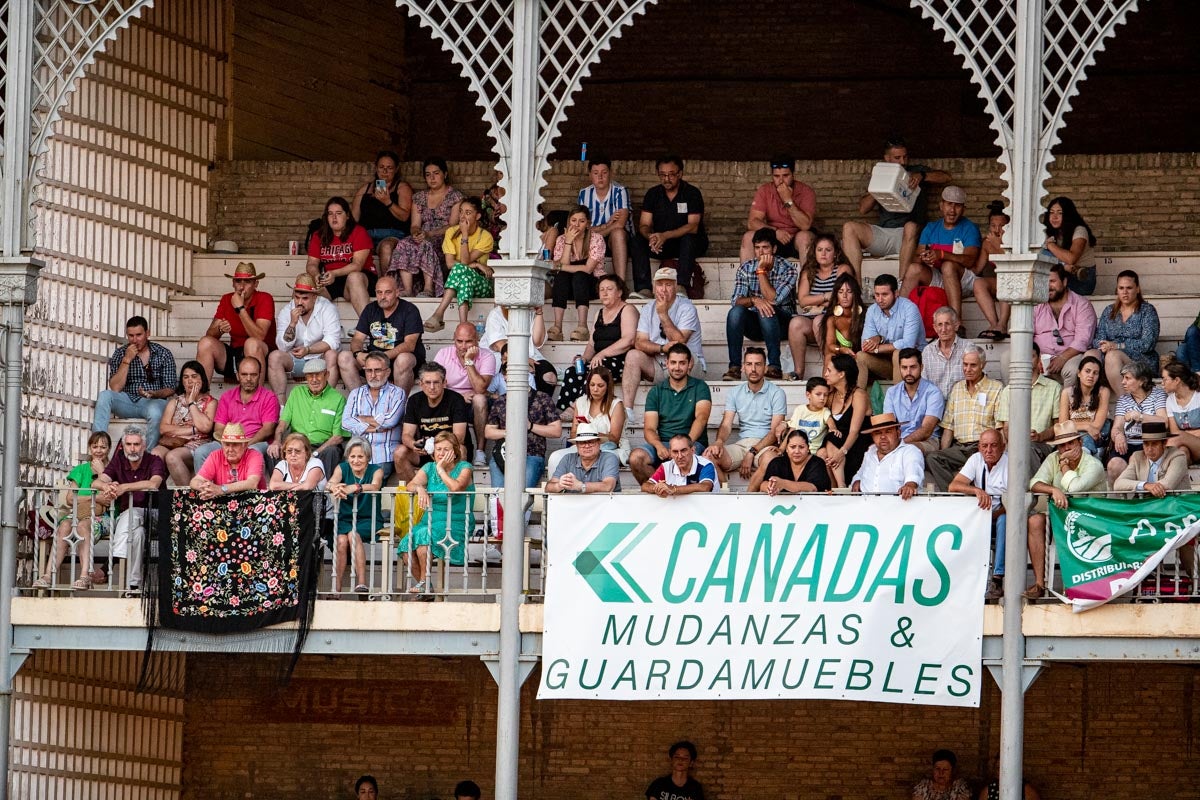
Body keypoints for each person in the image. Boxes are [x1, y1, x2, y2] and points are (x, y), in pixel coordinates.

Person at [841, 136, 951, 275]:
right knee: (849, 227)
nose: (903, 161)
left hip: (909, 236)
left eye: (905, 157)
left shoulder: (916, 170)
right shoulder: (880, 174)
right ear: (887, 158)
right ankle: (855, 287)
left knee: (910, 226)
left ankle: (902, 284)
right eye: (897, 158)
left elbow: (947, 177)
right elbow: (863, 209)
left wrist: (922, 176)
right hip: (884, 233)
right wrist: (879, 186)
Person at [1026, 421, 1107, 597]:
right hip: (1062, 516)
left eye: (1070, 443)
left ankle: (1078, 586)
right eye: (1062, 445)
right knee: (1035, 520)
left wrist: (1064, 465)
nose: (1066, 448)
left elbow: (1074, 489)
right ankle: (1040, 584)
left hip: (1091, 519)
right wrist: (1053, 489)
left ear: (1080, 443)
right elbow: (1034, 483)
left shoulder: (1093, 465)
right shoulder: (1053, 457)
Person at [33, 431, 112, 591]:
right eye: (95, 446)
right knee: (64, 527)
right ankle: (47, 576)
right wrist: (94, 497)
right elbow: (70, 499)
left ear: (109, 449)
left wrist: (102, 474)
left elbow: (108, 498)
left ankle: (84, 577)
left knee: (83, 526)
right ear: (90, 448)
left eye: (103, 447)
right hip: (77, 513)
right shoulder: (81, 470)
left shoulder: (113, 468)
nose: (98, 450)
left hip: (103, 517)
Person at [93, 425, 165, 593]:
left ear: (144, 445)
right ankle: (134, 585)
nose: (133, 448)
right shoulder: (119, 459)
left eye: (136, 444)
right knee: (137, 534)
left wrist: (124, 487)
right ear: (123, 446)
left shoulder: (154, 460)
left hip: (156, 515)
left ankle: (109, 563)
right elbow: (95, 482)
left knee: (132, 514)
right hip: (131, 520)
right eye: (129, 444)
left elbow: (154, 483)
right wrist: (108, 486)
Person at [622, 266, 704, 410]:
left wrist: (663, 314)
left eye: (668, 284)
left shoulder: (687, 307)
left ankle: (682, 409)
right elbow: (640, 342)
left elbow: (680, 343)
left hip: (688, 365)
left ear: (676, 286)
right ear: (653, 288)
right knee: (632, 355)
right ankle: (628, 410)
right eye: (660, 285)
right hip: (660, 365)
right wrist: (661, 348)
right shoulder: (648, 308)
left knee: (682, 357)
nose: (664, 289)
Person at [630, 344, 713, 484]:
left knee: (684, 455)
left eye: (682, 363)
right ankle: (662, 494)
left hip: (692, 442)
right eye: (673, 362)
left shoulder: (700, 387)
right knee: (636, 458)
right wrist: (658, 445)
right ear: (666, 363)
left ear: (690, 364)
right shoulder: (656, 391)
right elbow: (649, 429)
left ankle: (672, 492)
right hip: (665, 442)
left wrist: (683, 446)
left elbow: (701, 418)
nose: (677, 367)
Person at [899, 186, 981, 326]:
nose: (952, 210)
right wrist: (925, 257)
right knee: (913, 268)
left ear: (963, 209)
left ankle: (956, 323)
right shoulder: (931, 228)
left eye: (957, 206)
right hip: (939, 277)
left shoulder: (969, 228)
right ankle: (899, 319)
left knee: (948, 266)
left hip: (964, 280)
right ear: (941, 206)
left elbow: (970, 260)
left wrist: (942, 254)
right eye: (949, 204)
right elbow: (917, 256)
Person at [93, 315, 177, 451]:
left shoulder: (163, 354)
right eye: (131, 336)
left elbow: (171, 388)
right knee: (104, 396)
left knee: (156, 412)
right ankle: (98, 445)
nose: (135, 340)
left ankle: (149, 457)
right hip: (128, 401)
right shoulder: (121, 353)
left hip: (153, 402)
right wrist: (127, 360)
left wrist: (155, 394)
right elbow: (115, 387)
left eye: (139, 335)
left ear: (147, 333)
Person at [724, 228, 798, 381]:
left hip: (783, 324)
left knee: (766, 309)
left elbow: (773, 300)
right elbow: (736, 300)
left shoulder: (788, 269)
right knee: (735, 312)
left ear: (774, 249)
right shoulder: (745, 268)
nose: (760, 252)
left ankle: (774, 367)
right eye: (757, 248)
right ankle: (734, 368)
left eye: (765, 247)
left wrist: (761, 272)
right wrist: (754, 300)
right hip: (756, 324)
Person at [556, 273, 638, 411]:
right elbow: (592, 343)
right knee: (572, 371)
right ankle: (562, 409)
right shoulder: (599, 313)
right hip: (599, 360)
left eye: (609, 289)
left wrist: (602, 354)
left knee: (594, 373)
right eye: (602, 290)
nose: (604, 293)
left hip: (620, 361)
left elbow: (628, 340)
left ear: (619, 292)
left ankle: (577, 408)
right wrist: (584, 358)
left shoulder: (627, 309)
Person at [925, 347, 1003, 490]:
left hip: (982, 447)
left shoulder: (996, 388)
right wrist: (944, 452)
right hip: (959, 448)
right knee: (933, 458)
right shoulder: (957, 388)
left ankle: (959, 493)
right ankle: (955, 495)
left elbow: (1000, 427)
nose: (968, 369)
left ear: (983, 365)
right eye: (965, 364)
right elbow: (949, 427)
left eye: (973, 365)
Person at [405, 431, 474, 592]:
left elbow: (456, 487)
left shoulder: (465, 467)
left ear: (455, 452)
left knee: (424, 536)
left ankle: (423, 583)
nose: (441, 453)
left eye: (445, 449)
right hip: (430, 520)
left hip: (455, 522)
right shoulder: (429, 468)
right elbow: (410, 485)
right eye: (438, 449)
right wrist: (420, 488)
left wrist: (441, 469)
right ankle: (426, 587)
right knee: (406, 544)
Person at [630, 156, 708, 296]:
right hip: (662, 244)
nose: (666, 179)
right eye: (662, 175)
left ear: (680, 174)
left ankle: (681, 286)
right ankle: (644, 289)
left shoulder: (692, 193)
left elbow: (693, 226)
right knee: (637, 240)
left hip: (689, 245)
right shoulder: (653, 194)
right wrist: (651, 237)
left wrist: (665, 235)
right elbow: (644, 224)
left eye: (671, 174)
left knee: (688, 238)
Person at [705, 348, 786, 480]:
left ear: (765, 368)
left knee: (772, 460)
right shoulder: (735, 392)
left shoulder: (777, 393)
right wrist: (719, 441)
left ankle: (751, 493)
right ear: (743, 367)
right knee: (709, 456)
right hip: (741, 445)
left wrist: (752, 452)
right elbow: (726, 424)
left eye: (758, 364)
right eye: (749, 364)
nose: (753, 369)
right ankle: (726, 494)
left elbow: (774, 432)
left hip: (764, 446)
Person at [388, 157, 464, 297]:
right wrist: (417, 233)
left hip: (445, 238)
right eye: (428, 175)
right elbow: (415, 225)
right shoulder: (419, 197)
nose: (432, 178)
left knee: (425, 244)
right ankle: (408, 289)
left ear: (445, 174)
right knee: (404, 244)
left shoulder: (455, 196)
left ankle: (429, 288)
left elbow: (453, 226)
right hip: (424, 235)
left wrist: (429, 234)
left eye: (436, 173)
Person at [191, 357, 280, 473]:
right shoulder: (227, 397)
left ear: (259, 375)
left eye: (253, 375)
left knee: (253, 451)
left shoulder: (269, 397)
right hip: (229, 442)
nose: (249, 379)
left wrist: (245, 445)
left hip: (257, 442)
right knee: (201, 452)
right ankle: (205, 489)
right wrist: (231, 446)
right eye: (244, 374)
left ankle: (253, 491)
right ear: (237, 375)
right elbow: (218, 428)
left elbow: (268, 429)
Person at [339, 274, 424, 394]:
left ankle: (398, 405)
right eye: (379, 292)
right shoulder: (370, 309)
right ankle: (360, 401)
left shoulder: (410, 310)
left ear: (397, 292)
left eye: (387, 292)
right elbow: (357, 339)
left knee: (404, 359)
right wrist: (358, 353)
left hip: (399, 360)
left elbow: (409, 345)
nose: (383, 297)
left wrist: (382, 358)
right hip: (375, 359)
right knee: (344, 357)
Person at [949, 428, 1008, 599]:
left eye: (993, 446)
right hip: (982, 517)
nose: (988, 450)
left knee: (1004, 520)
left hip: (1003, 517)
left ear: (1003, 447)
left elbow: (1015, 504)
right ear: (979, 448)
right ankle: (961, 579)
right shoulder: (976, 459)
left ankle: (997, 579)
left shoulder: (1011, 463)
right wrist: (976, 490)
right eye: (984, 446)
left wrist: (994, 515)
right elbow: (954, 486)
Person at [423, 197, 495, 332]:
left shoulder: (485, 237)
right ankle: (464, 325)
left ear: (477, 216)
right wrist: (477, 265)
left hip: (482, 284)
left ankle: (439, 313)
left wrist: (465, 235)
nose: (462, 216)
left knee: (461, 269)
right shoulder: (451, 232)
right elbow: (450, 264)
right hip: (460, 282)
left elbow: (464, 262)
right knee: (463, 276)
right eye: (461, 211)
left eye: (468, 213)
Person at [787, 232, 852, 380]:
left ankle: (828, 369)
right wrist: (825, 297)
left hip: (837, 321)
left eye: (828, 250)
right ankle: (798, 372)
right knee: (795, 323)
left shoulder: (842, 269)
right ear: (814, 252)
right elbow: (803, 301)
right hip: (813, 318)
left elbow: (841, 298)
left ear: (835, 253)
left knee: (819, 321)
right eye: (819, 249)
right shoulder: (809, 271)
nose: (823, 254)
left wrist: (816, 301)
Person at [195, 261, 275, 381]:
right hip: (236, 355)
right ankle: (201, 395)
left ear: (256, 284)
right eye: (238, 281)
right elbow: (210, 335)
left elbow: (259, 336)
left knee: (251, 343)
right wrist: (220, 329)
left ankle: (258, 397)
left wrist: (240, 309)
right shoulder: (227, 299)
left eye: (247, 282)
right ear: (233, 283)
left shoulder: (265, 298)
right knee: (205, 343)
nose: (242, 286)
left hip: (262, 357)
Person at [268, 273, 342, 400]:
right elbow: (282, 346)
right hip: (296, 360)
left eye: (305, 298)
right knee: (274, 356)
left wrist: (308, 350)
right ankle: (281, 406)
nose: (299, 302)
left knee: (332, 354)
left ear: (315, 297)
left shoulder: (327, 308)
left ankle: (327, 401)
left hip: (320, 358)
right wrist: (292, 324)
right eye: (297, 297)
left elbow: (333, 341)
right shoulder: (287, 311)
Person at [268, 359, 347, 478]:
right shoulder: (296, 393)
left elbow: (337, 437)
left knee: (332, 451)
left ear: (327, 374)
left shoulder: (338, 399)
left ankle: (321, 492)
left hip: (322, 447)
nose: (314, 379)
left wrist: (314, 453)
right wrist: (277, 440)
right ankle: (281, 492)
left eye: (318, 374)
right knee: (272, 451)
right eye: (310, 375)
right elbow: (283, 423)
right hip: (296, 444)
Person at [546, 365, 628, 478]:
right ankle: (556, 490)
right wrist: (583, 433)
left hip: (609, 448)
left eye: (600, 386)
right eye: (592, 385)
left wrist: (591, 432)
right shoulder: (581, 402)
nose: (595, 389)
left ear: (608, 386)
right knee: (555, 457)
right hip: (583, 446)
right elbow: (573, 434)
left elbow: (615, 438)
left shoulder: (616, 404)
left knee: (602, 458)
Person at [435, 323, 498, 466]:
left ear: (477, 340)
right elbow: (436, 385)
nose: (463, 346)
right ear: (454, 339)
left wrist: (469, 361)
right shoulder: (443, 354)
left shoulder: (487, 356)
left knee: (480, 399)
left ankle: (480, 452)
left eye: (468, 341)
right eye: (459, 341)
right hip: (450, 400)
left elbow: (480, 388)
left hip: (473, 403)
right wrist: (457, 397)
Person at [1087, 269, 1160, 393]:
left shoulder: (1147, 311)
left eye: (1129, 288)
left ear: (1137, 289)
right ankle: (1088, 402)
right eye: (1121, 288)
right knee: (1090, 355)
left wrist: (1118, 346)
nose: (1125, 292)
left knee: (1112, 355)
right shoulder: (1109, 311)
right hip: (1111, 360)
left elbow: (1148, 344)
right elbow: (1098, 338)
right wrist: (1104, 345)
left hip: (1140, 361)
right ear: (1117, 290)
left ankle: (1124, 402)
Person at [396, 362, 471, 481]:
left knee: (461, 449)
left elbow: (459, 437)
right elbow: (406, 435)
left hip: (449, 450)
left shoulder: (456, 399)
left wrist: (436, 446)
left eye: (436, 382)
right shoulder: (414, 401)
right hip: (425, 451)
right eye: (427, 382)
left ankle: (452, 492)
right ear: (421, 384)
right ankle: (415, 493)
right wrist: (414, 445)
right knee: (400, 452)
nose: (432, 387)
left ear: (444, 383)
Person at [327, 438, 383, 594]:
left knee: (352, 535)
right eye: (352, 456)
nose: (356, 460)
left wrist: (355, 487)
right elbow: (329, 483)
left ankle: (362, 583)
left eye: (360, 457)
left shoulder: (376, 470)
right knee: (341, 539)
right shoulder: (342, 468)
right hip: (345, 519)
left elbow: (375, 485)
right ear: (347, 457)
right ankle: (336, 588)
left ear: (368, 457)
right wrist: (335, 487)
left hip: (368, 520)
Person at [305, 196, 376, 315]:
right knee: (304, 286)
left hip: (361, 278)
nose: (334, 217)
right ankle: (298, 328)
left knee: (354, 277)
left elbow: (357, 265)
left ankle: (369, 327)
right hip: (332, 280)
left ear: (347, 216)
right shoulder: (319, 235)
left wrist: (334, 273)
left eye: (338, 213)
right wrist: (316, 275)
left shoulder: (359, 232)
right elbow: (311, 264)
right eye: (330, 214)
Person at [739, 154, 816, 263]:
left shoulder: (806, 191)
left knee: (805, 238)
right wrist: (775, 232)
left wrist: (787, 200)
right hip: (773, 237)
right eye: (776, 176)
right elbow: (752, 223)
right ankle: (748, 279)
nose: (780, 181)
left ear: (793, 175)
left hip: (796, 238)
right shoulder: (765, 190)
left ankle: (806, 279)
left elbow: (805, 225)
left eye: (785, 175)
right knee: (748, 237)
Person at [340, 352, 406, 478]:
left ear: (387, 372)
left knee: (369, 485)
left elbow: (391, 421)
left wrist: (361, 419)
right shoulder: (356, 393)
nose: (373, 375)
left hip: (383, 454)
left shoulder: (397, 393)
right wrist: (377, 427)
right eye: (369, 370)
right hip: (356, 454)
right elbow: (346, 422)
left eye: (377, 370)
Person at [1033, 263, 1097, 388]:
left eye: (1052, 281)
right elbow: (1026, 334)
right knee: (1007, 357)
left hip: (1070, 356)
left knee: (1073, 370)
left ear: (1065, 281)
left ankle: (1067, 406)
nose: (1047, 286)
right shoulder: (1036, 304)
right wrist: (1036, 356)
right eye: (1044, 281)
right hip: (1040, 356)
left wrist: (1062, 358)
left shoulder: (1082, 304)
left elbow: (1083, 340)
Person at [152, 360, 215, 486]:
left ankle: (188, 499)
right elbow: (163, 429)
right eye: (186, 377)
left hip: (197, 444)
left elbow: (205, 427)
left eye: (194, 376)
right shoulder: (174, 402)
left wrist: (191, 402)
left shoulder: (211, 402)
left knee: (172, 457)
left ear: (202, 379)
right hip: (173, 442)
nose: (190, 381)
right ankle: (158, 497)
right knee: (155, 454)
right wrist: (192, 430)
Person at [995, 343, 1061, 463]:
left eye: (1031, 356)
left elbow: (1058, 426)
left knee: (1027, 449)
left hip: (1043, 446)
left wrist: (1039, 436)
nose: (1027, 361)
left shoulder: (1054, 388)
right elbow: (1005, 427)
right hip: (1015, 447)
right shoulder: (1008, 391)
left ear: (1039, 359)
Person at [857, 273, 925, 388]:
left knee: (898, 353)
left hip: (914, 363)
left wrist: (878, 348)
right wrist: (880, 338)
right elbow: (865, 345)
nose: (879, 299)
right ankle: (858, 399)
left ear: (896, 293)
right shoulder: (872, 310)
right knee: (860, 356)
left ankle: (898, 400)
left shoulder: (909, 308)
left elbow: (908, 344)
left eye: (884, 294)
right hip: (888, 363)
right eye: (877, 295)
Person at [548, 205, 606, 342]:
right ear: (568, 222)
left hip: (592, 285)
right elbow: (562, 266)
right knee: (561, 277)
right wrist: (568, 242)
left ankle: (582, 327)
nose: (577, 225)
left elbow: (588, 269)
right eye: (573, 220)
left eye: (581, 221)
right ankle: (557, 327)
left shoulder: (596, 239)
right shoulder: (562, 239)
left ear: (588, 224)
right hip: (568, 287)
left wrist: (561, 266)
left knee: (580, 275)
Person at [485, 387, 562, 489]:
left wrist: (530, 426)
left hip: (532, 454)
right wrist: (510, 432)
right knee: (497, 497)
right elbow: (488, 432)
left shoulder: (542, 398)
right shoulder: (501, 400)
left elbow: (556, 431)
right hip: (504, 453)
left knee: (520, 495)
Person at [1107, 361, 1168, 484]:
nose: (1123, 382)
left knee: (1137, 462)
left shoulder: (1157, 394)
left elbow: (1164, 422)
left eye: (1128, 378)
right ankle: (1121, 500)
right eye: (1123, 378)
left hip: (1150, 443)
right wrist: (1118, 436)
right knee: (1114, 465)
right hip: (1128, 444)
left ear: (1142, 381)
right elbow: (1117, 427)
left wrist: (1139, 416)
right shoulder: (1124, 399)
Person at [350, 149, 413, 267]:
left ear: (396, 169)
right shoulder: (365, 189)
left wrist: (387, 201)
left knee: (386, 247)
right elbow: (354, 219)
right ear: (376, 168)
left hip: (391, 235)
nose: (385, 171)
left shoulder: (402, 188)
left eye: (389, 168)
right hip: (367, 235)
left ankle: (386, 284)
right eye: (381, 167)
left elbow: (404, 216)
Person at [480, 303, 557, 397]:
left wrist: (539, 313)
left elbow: (538, 342)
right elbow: (500, 346)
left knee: (549, 376)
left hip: (530, 355)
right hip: (504, 357)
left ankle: (539, 407)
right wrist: (524, 359)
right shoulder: (495, 314)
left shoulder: (529, 312)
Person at [577, 155, 631, 281]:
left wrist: (593, 231)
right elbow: (581, 227)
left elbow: (619, 224)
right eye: (596, 173)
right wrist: (606, 225)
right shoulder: (584, 193)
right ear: (590, 175)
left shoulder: (619, 191)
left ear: (610, 173)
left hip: (616, 239)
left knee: (617, 233)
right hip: (592, 238)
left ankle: (620, 283)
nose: (600, 177)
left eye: (604, 172)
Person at [822, 354, 871, 488]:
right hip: (836, 447)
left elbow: (854, 431)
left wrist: (842, 452)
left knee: (831, 439)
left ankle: (841, 486)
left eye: (829, 370)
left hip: (856, 445)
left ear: (841, 374)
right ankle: (834, 489)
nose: (825, 374)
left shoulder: (859, 395)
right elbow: (812, 412)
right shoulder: (831, 397)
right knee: (822, 453)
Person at [884, 348, 944, 454]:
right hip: (898, 441)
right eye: (904, 367)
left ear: (921, 367)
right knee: (871, 450)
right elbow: (889, 426)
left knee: (908, 450)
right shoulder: (892, 393)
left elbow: (926, 430)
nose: (908, 372)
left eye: (913, 367)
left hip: (928, 441)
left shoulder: (933, 392)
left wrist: (901, 444)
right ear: (899, 368)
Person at [851, 413, 923, 499]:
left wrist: (910, 485)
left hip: (898, 508)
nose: (883, 437)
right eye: (878, 433)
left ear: (898, 433)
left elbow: (913, 474)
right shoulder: (870, 452)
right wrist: (857, 481)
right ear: (872, 436)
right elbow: (860, 474)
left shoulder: (909, 451)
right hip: (867, 507)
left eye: (888, 431)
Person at [190, 422, 267, 498]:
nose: (230, 449)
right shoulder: (215, 456)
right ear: (222, 444)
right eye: (227, 444)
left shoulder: (254, 455)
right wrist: (205, 488)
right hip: (223, 504)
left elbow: (252, 483)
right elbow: (195, 481)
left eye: (235, 445)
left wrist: (222, 489)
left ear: (245, 445)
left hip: (252, 504)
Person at [1113, 420, 1188, 497]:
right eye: (1146, 444)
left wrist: (1145, 487)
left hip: (1174, 506)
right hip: (1145, 506)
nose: (1149, 449)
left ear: (1164, 443)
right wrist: (1145, 485)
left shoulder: (1178, 456)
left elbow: (1168, 484)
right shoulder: (1137, 457)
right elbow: (1118, 484)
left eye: (1154, 444)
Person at [269, 432, 329, 526]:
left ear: (306, 452)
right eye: (289, 451)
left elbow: (308, 486)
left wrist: (286, 488)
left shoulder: (315, 463)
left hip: (319, 519)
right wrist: (301, 485)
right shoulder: (282, 464)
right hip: (292, 516)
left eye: (297, 451)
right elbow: (273, 485)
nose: (293, 454)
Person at [1042, 195, 1098, 296]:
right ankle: (1064, 267)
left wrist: (1049, 244)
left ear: (1068, 215)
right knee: (1039, 253)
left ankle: (1064, 267)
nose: (1054, 217)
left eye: (1060, 213)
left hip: (1081, 281)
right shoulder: (1049, 232)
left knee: (1043, 252)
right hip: (1060, 277)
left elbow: (1071, 259)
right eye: (1051, 212)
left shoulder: (1080, 230)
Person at [973, 201, 1011, 340]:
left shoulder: (1014, 241)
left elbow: (1011, 267)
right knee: (978, 283)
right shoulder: (987, 243)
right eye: (993, 226)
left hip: (1015, 282)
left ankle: (1003, 324)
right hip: (998, 284)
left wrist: (998, 246)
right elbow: (977, 269)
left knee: (1004, 277)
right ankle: (994, 324)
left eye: (1001, 226)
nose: (997, 230)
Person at [749, 429, 831, 494]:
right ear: (787, 449)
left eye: (801, 447)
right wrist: (771, 487)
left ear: (808, 449)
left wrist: (783, 484)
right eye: (793, 447)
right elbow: (763, 485)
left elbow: (812, 488)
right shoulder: (777, 463)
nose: (797, 451)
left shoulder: (817, 463)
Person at [1059, 354, 1111, 457]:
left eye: (1095, 373)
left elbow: (1096, 427)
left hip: (1093, 437)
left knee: (1086, 440)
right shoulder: (1067, 393)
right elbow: (1063, 426)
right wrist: (1086, 426)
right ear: (1079, 373)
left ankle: (1084, 459)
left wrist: (1074, 426)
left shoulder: (1103, 392)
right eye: (1087, 371)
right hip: (1072, 437)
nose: (1091, 375)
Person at [546, 423, 621, 494]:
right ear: (577, 445)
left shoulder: (609, 458)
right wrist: (559, 485)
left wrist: (581, 486)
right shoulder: (567, 459)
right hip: (575, 506)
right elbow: (548, 487)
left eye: (591, 442)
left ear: (599, 443)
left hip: (604, 506)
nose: (587, 446)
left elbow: (608, 486)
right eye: (582, 442)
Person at [642, 434, 719, 497]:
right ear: (670, 453)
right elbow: (645, 486)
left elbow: (705, 487)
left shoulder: (706, 464)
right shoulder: (666, 466)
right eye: (675, 452)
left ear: (692, 450)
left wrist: (673, 489)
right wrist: (659, 488)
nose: (679, 456)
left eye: (683, 450)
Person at [778, 376, 833, 461]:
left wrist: (833, 428)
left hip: (814, 453)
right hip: (797, 450)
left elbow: (830, 422)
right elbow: (792, 430)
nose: (822, 398)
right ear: (808, 395)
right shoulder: (800, 410)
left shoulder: (824, 411)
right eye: (818, 394)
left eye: (825, 395)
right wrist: (781, 448)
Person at [921, 307, 970, 400]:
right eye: (939, 325)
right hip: (935, 405)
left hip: (961, 404)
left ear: (956, 326)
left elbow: (978, 379)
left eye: (947, 324)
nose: (943, 329)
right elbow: (923, 385)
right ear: (935, 328)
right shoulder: (928, 351)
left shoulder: (968, 347)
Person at [822, 272, 866, 367]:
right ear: (836, 296)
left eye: (849, 291)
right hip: (841, 356)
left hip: (861, 357)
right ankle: (825, 382)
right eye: (840, 292)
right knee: (829, 356)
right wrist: (840, 350)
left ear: (855, 295)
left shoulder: (865, 316)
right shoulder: (832, 320)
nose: (845, 296)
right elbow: (830, 345)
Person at [1163, 359, 1200, 463]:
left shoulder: (1198, 396)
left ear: (1177, 380)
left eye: (1165, 379)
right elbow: (1175, 432)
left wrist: (1185, 434)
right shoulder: (1170, 401)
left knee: (1179, 437)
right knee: (1182, 453)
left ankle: (1156, 468)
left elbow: (1177, 435)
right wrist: (1187, 435)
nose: (1162, 383)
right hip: (1187, 446)